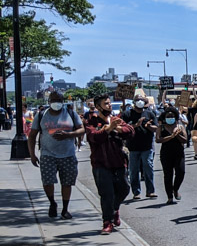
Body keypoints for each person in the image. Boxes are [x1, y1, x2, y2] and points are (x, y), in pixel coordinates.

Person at [28, 91, 84, 219]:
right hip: (48, 154)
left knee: (67, 183)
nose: (56, 103)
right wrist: (32, 154)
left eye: (58, 100)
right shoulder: (41, 115)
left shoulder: (70, 113)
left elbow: (81, 129)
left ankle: (65, 209)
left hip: (68, 154)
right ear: (49, 102)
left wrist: (68, 135)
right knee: (47, 182)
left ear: (63, 101)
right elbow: (32, 135)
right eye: (53, 100)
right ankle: (52, 202)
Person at [85, 93, 134, 235]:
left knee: (124, 188)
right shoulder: (91, 122)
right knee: (106, 193)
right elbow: (94, 137)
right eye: (106, 103)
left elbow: (130, 131)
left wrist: (117, 128)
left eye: (109, 103)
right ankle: (107, 222)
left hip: (118, 162)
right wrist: (107, 128)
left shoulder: (116, 119)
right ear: (98, 106)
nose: (109, 105)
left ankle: (114, 209)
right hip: (101, 163)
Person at [123, 92, 159, 200]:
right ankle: (136, 192)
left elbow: (156, 128)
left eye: (142, 100)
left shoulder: (150, 114)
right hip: (133, 147)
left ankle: (150, 191)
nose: (140, 102)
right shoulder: (127, 114)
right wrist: (135, 125)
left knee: (148, 167)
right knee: (133, 170)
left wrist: (149, 126)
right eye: (138, 100)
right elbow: (123, 128)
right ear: (134, 102)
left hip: (147, 146)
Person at [156, 105, 188, 204]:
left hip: (178, 153)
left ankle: (175, 189)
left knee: (181, 172)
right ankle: (169, 196)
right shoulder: (161, 127)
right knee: (168, 175)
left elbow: (185, 140)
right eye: (168, 117)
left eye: (172, 116)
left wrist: (177, 135)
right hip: (166, 154)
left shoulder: (180, 127)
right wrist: (171, 136)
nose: (170, 118)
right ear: (164, 117)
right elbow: (158, 140)